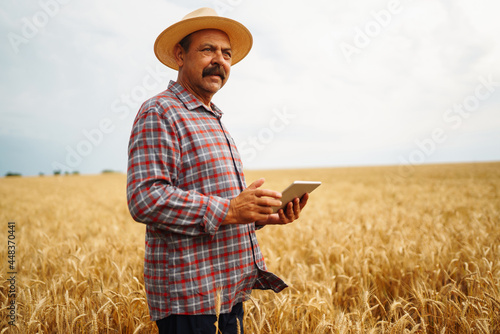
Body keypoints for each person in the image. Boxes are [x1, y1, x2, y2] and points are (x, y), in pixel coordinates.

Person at [126, 7, 309, 334]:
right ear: (180, 55)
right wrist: (230, 208)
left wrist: (262, 216)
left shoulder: (213, 118)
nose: (220, 60)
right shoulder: (160, 111)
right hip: (190, 299)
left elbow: (225, 211)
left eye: (226, 54)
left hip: (228, 291)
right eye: (208, 50)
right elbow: (145, 199)